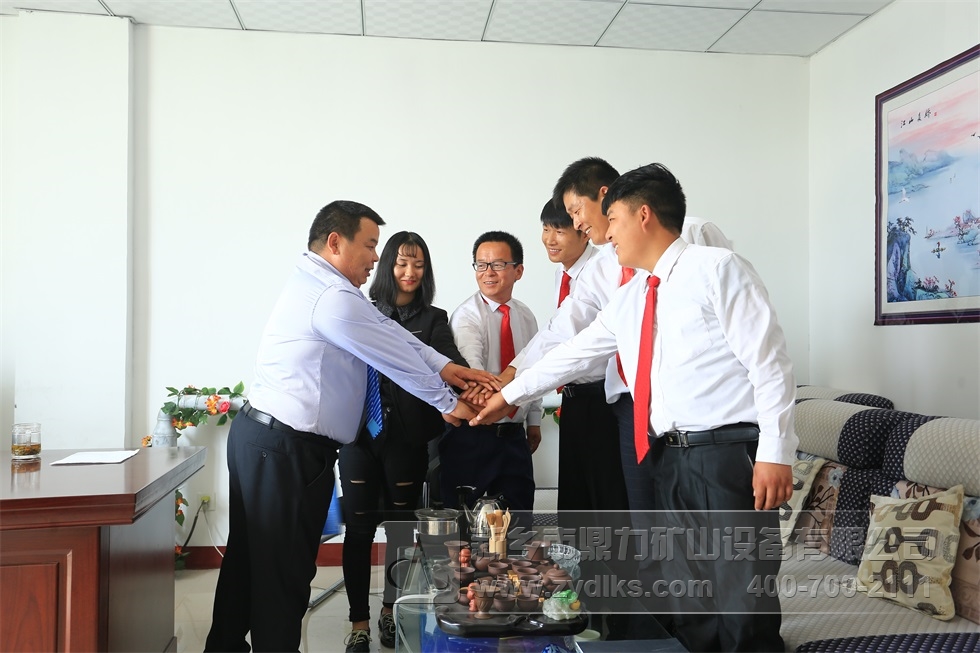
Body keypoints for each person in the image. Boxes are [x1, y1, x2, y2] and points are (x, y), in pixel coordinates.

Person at [473, 163, 798, 652]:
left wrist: (776, 451)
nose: (605, 234)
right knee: (686, 586)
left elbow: (769, 363)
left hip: (727, 452)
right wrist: (507, 395)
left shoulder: (717, 268)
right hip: (669, 455)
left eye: (613, 220)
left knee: (740, 587)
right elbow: (571, 352)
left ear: (643, 215)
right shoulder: (631, 296)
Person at [204, 201, 493, 653]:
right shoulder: (331, 298)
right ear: (336, 242)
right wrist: (447, 402)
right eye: (370, 245)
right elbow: (389, 356)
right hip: (283, 448)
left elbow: (390, 333)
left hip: (266, 440)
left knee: (249, 563)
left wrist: (445, 368)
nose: (377, 257)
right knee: (283, 575)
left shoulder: (329, 287)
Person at [338, 231, 468, 652]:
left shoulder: (434, 319)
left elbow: (449, 362)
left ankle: (389, 611)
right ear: (387, 265)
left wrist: (474, 384)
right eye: (401, 262)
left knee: (398, 530)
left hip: (408, 442)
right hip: (358, 437)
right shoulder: (360, 310)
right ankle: (358, 623)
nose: (410, 272)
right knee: (358, 531)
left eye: (418, 264)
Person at [441, 231, 541, 534]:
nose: (488, 273)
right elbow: (475, 378)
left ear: (518, 270)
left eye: (498, 264)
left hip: (514, 436)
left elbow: (535, 371)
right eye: (481, 265)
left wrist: (533, 421)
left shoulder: (526, 316)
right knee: (465, 529)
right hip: (473, 435)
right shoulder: (466, 316)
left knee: (517, 525)